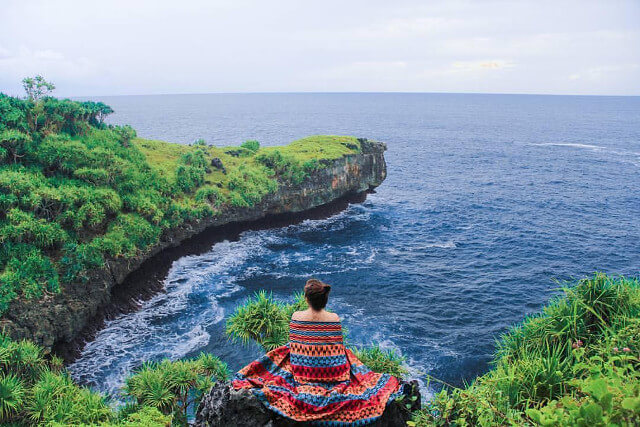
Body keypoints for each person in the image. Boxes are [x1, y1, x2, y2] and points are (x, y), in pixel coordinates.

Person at [232, 279, 403, 425]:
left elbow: (297, 345)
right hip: (333, 373)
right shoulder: (334, 318)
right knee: (347, 355)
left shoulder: (296, 316)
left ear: (306, 299)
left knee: (287, 349)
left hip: (303, 372)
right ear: (325, 299)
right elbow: (336, 349)